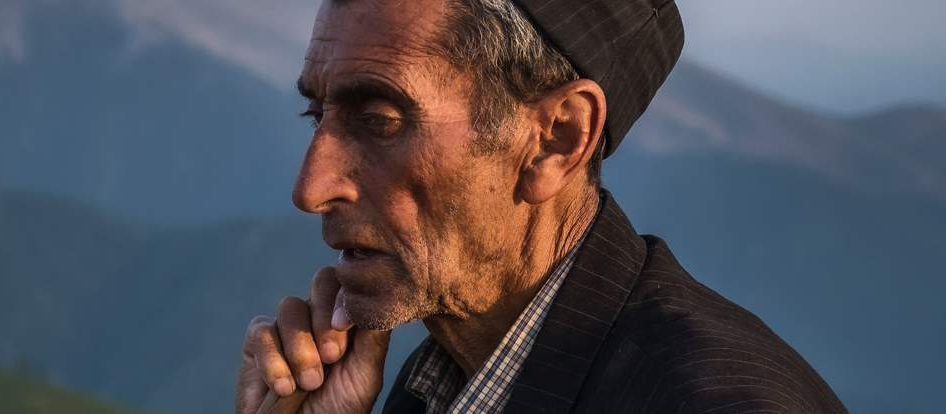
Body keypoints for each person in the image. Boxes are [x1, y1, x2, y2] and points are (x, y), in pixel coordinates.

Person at [236, 0, 849, 412]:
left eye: (379, 121)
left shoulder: (715, 402)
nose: (311, 188)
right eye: (316, 115)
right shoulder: (442, 383)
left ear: (556, 139)